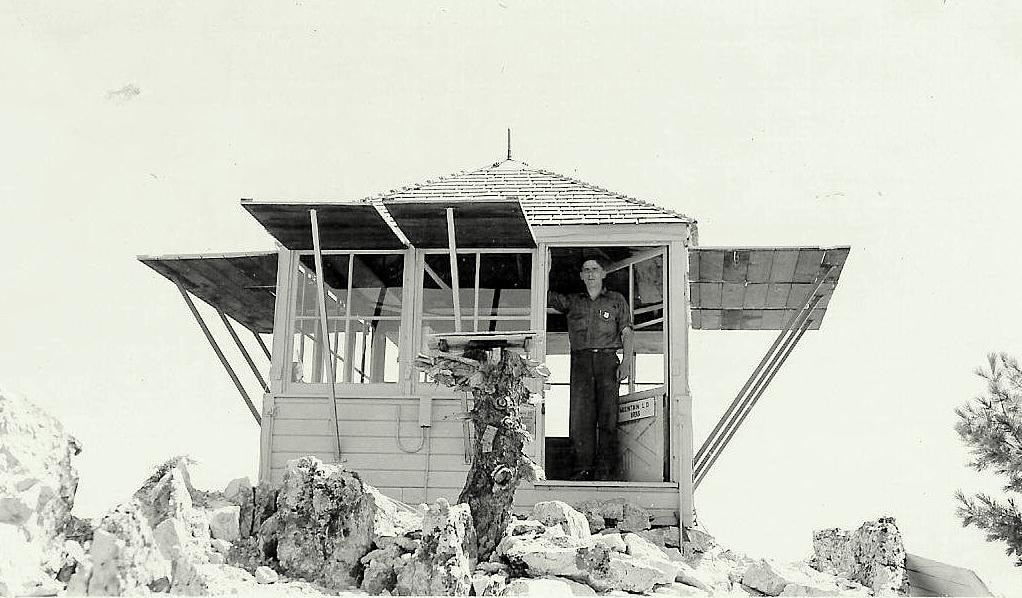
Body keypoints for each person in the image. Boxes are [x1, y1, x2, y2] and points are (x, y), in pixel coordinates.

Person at [548, 258, 634, 481]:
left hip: (607, 361)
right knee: (580, 417)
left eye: (595, 269)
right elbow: (545, 296)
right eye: (586, 270)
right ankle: (583, 468)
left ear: (603, 273)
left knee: (608, 416)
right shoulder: (573, 301)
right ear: (581, 276)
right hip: (581, 362)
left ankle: (605, 471)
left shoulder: (616, 300)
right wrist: (545, 267)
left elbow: (627, 332)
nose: (590, 273)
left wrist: (626, 361)